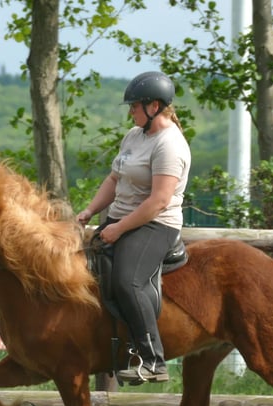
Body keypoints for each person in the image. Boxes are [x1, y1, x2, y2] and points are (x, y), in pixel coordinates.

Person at [77, 71, 191, 384]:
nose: (131, 111)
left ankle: (153, 360)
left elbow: (159, 201)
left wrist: (118, 229)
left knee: (129, 281)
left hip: (155, 225)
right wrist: (89, 211)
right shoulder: (134, 136)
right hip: (123, 218)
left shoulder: (170, 145)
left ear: (154, 106)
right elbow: (115, 179)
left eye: (134, 106)